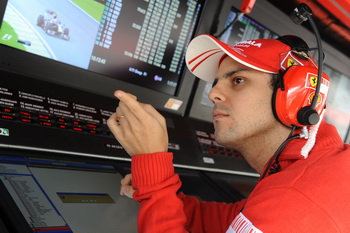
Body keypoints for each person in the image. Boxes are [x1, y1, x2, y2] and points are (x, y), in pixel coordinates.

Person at [107, 34, 350, 232]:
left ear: (295, 98)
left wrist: (152, 165)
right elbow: (235, 221)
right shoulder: (310, 168)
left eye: (238, 80)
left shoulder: (296, 198)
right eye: (215, 83)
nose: (213, 94)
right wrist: (157, 190)